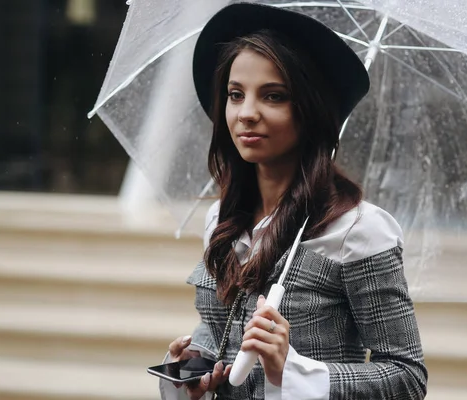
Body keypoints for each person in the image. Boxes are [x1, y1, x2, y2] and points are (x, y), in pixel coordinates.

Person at [159, 3, 428, 399]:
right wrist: (192, 367)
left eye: (273, 96)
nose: (246, 113)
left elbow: (407, 378)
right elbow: (219, 329)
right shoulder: (223, 218)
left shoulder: (358, 231)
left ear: (309, 109)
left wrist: (295, 370)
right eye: (236, 94)